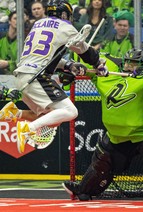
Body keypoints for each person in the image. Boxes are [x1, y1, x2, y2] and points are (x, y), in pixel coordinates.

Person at [62, 48, 143, 202]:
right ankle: (84, 190)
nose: (130, 66)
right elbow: (84, 66)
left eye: (135, 63)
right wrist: (71, 70)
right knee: (102, 161)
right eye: (128, 62)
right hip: (116, 134)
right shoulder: (105, 71)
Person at [0, 0, 105, 154]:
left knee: (48, 116)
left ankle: (15, 113)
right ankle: (28, 128)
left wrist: (69, 65)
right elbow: (85, 50)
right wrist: (99, 64)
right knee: (70, 112)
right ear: (64, 14)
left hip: (21, 76)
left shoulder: (38, 24)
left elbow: (47, 58)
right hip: (36, 77)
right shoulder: (65, 27)